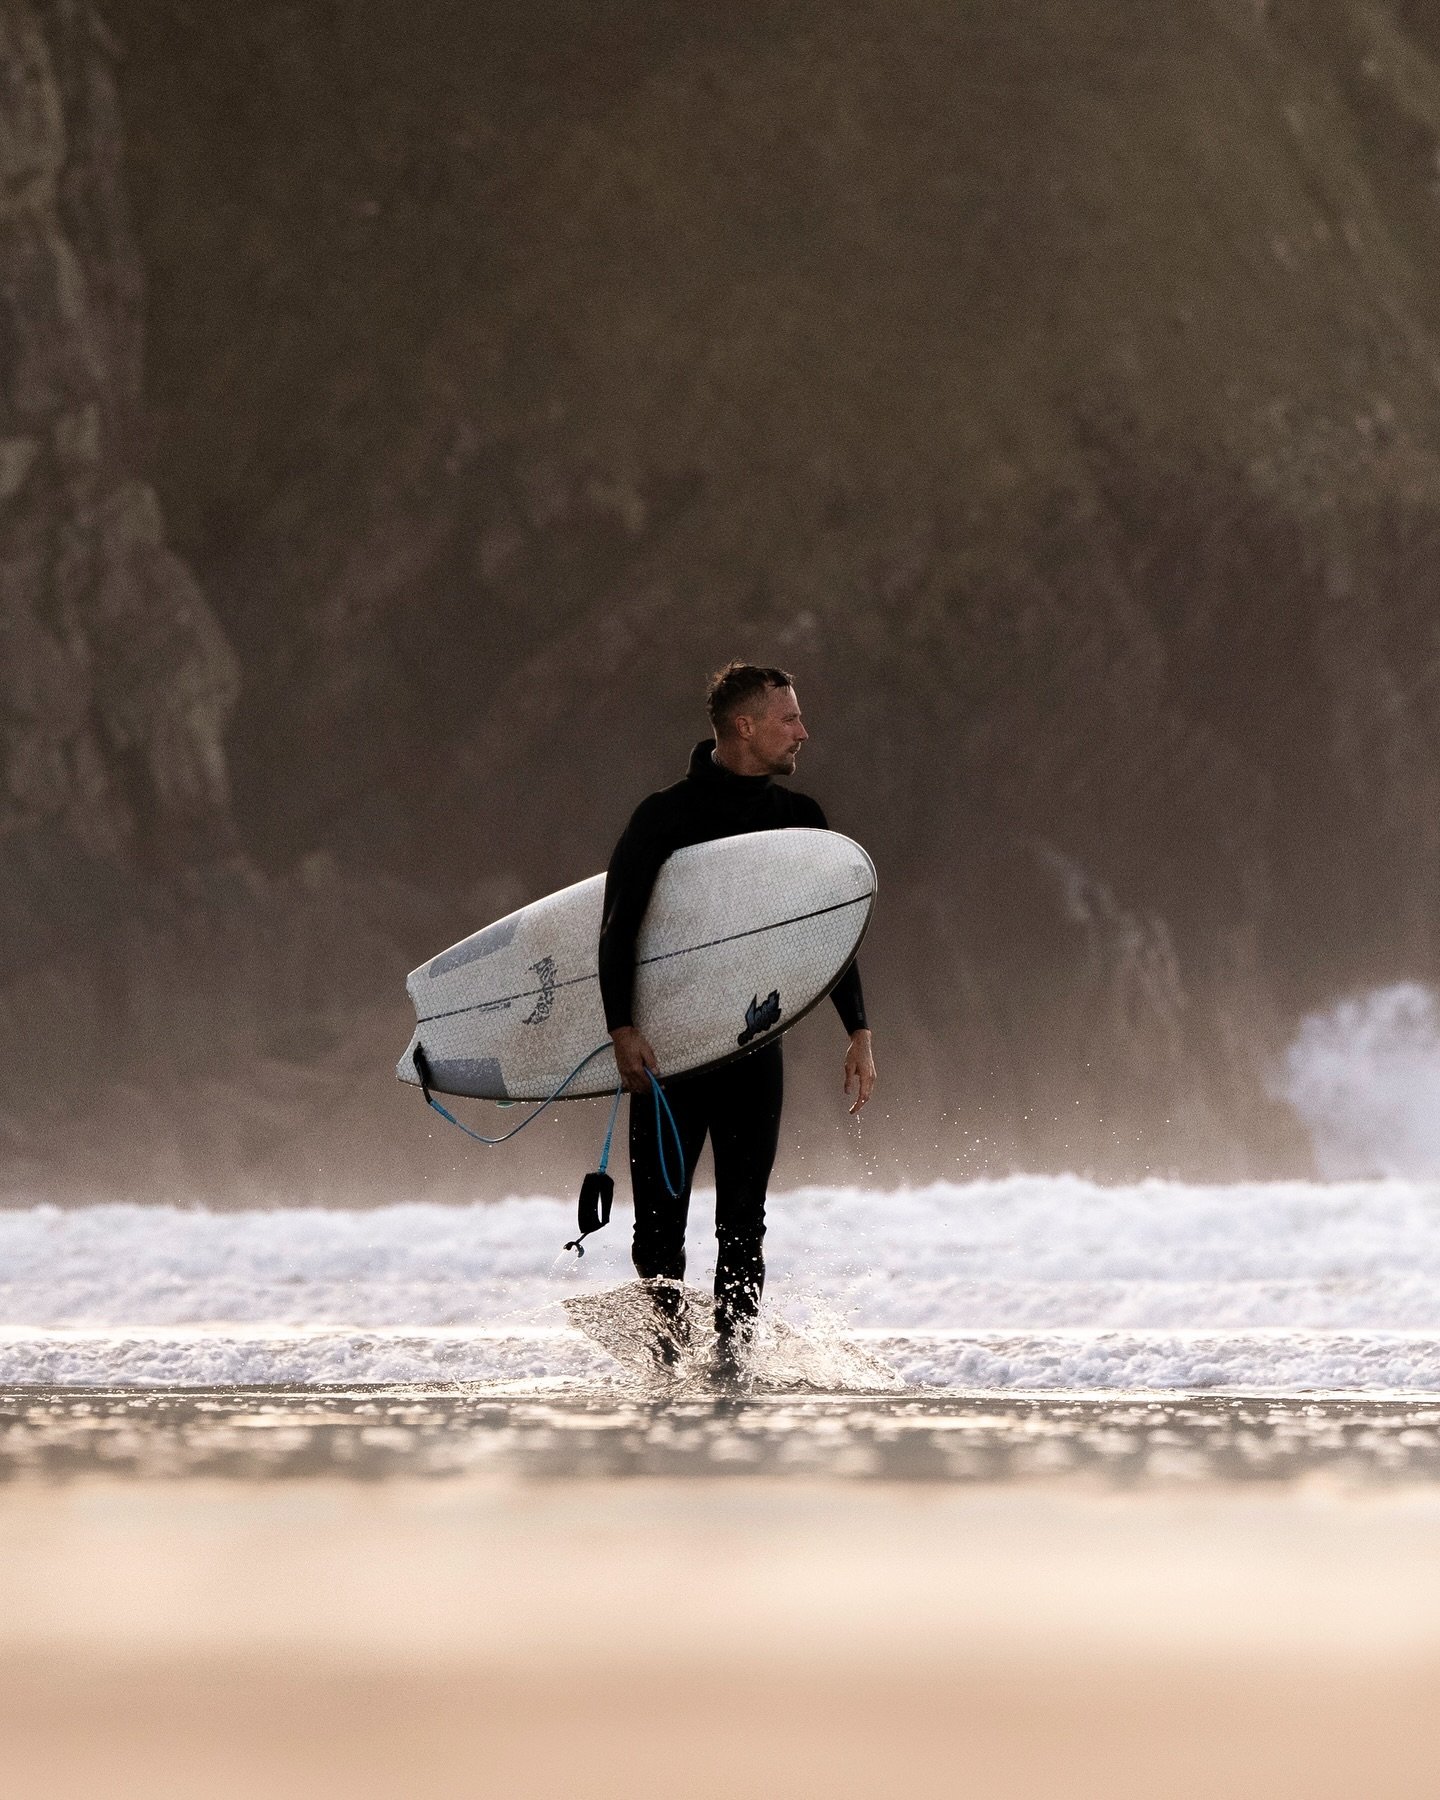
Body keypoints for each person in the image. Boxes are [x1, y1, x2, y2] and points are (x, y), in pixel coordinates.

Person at [598, 662, 876, 1379]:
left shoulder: (801, 820)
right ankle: (663, 1364)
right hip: (672, 1053)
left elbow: (828, 936)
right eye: (789, 719)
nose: (803, 732)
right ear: (745, 726)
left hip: (755, 1049)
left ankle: (732, 1364)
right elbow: (617, 929)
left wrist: (859, 1029)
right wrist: (622, 1029)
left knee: (743, 1225)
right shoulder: (664, 818)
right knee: (659, 1225)